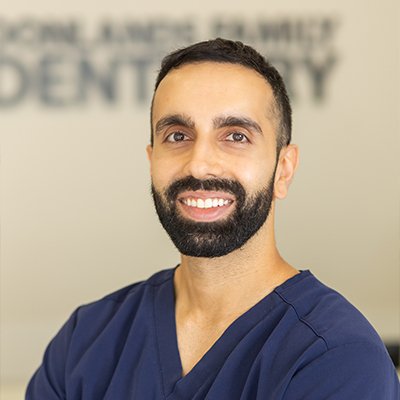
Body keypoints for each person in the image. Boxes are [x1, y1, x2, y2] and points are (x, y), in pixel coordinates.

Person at [26, 38, 399, 399]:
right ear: (152, 159)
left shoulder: (337, 357)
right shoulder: (85, 341)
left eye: (235, 136)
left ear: (283, 170)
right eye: (177, 135)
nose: (200, 163)